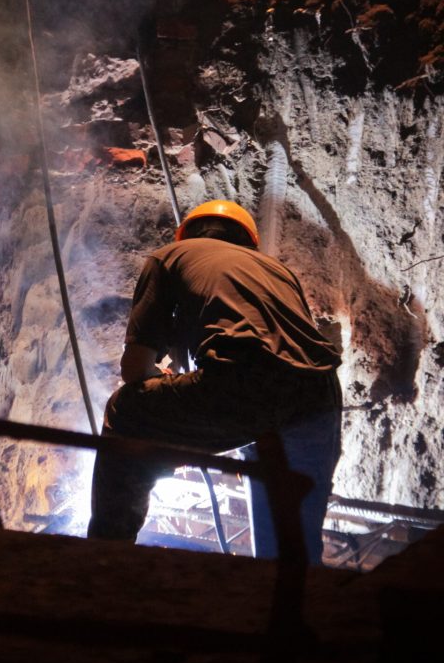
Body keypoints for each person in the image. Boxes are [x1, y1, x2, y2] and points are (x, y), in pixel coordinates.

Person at [87, 200, 342, 564]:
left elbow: (134, 369)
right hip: (321, 395)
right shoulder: (278, 270)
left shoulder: (169, 257)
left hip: (243, 382)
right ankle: (288, 606)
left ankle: (103, 558)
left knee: (125, 411)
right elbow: (284, 362)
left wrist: (168, 418)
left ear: (187, 233)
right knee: (292, 546)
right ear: (248, 242)